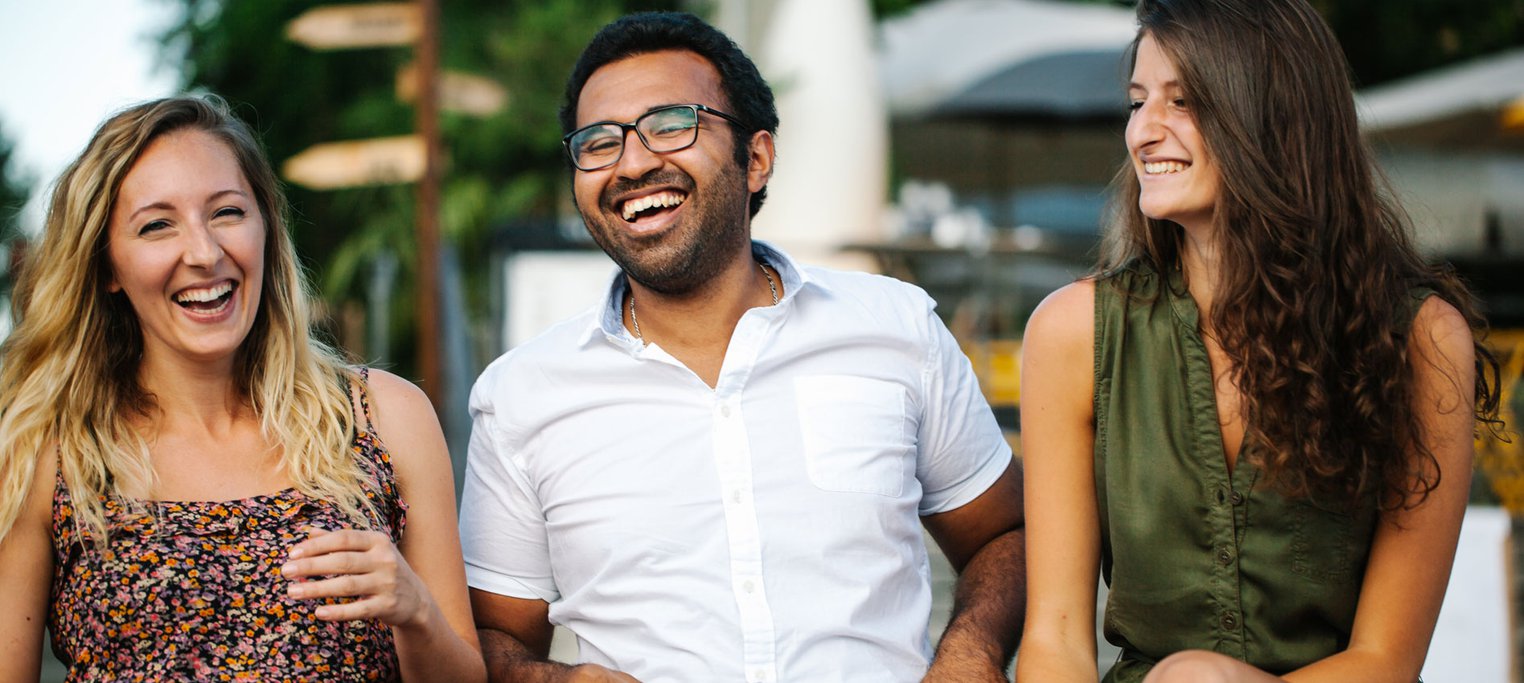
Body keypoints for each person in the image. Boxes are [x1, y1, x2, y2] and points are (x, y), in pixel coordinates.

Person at [459, 11, 1025, 683]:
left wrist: (973, 651)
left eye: (672, 124)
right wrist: (556, 679)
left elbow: (1003, 532)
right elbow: (489, 638)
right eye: (598, 142)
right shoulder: (523, 394)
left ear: (755, 159)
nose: (633, 162)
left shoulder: (895, 327)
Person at [1017, 0, 1500, 681]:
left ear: (1269, 117)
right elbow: (1055, 636)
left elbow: (1386, 659)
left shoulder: (1420, 338)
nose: (1143, 133)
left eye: (1181, 101)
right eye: (1136, 102)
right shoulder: (1072, 332)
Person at [0, 96, 486, 682]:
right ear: (106, 266)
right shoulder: (46, 449)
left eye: (227, 213)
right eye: (157, 225)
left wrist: (416, 613)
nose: (205, 254)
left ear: (265, 229)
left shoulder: (384, 415)